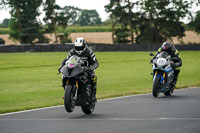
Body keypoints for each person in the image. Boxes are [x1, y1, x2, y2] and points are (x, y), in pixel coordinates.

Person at [58, 37, 99, 102]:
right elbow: (66, 60)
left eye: (80, 47)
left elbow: (96, 63)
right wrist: (61, 66)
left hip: (86, 70)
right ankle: (68, 94)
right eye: (77, 47)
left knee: (93, 78)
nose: (78, 49)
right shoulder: (72, 51)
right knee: (64, 76)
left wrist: (91, 68)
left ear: (84, 46)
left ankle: (92, 97)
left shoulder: (89, 52)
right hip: (76, 69)